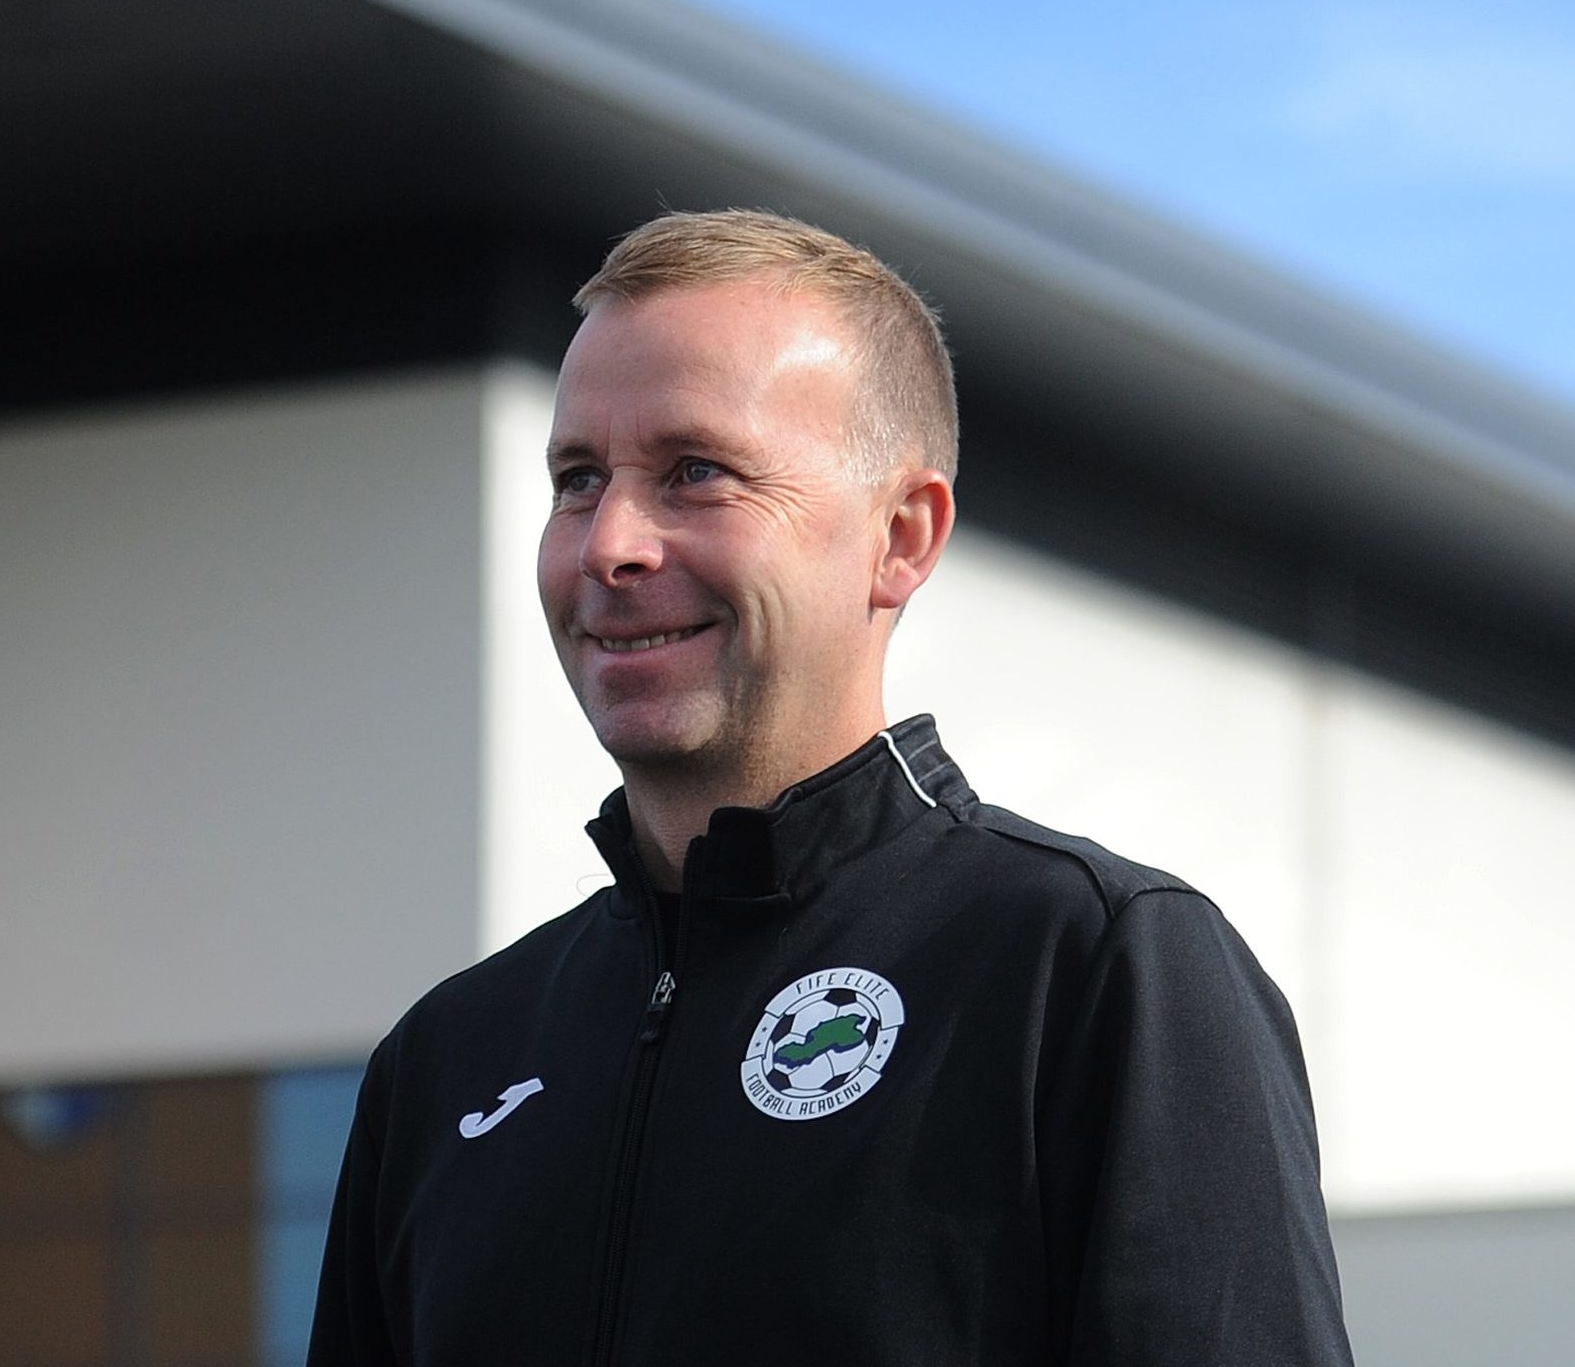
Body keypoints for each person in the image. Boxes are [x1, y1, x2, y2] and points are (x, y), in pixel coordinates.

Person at [306, 209, 1350, 1366]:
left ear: (901, 537)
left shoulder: (1093, 969)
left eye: (694, 471)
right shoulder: (449, 1058)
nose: (610, 544)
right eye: (576, 478)